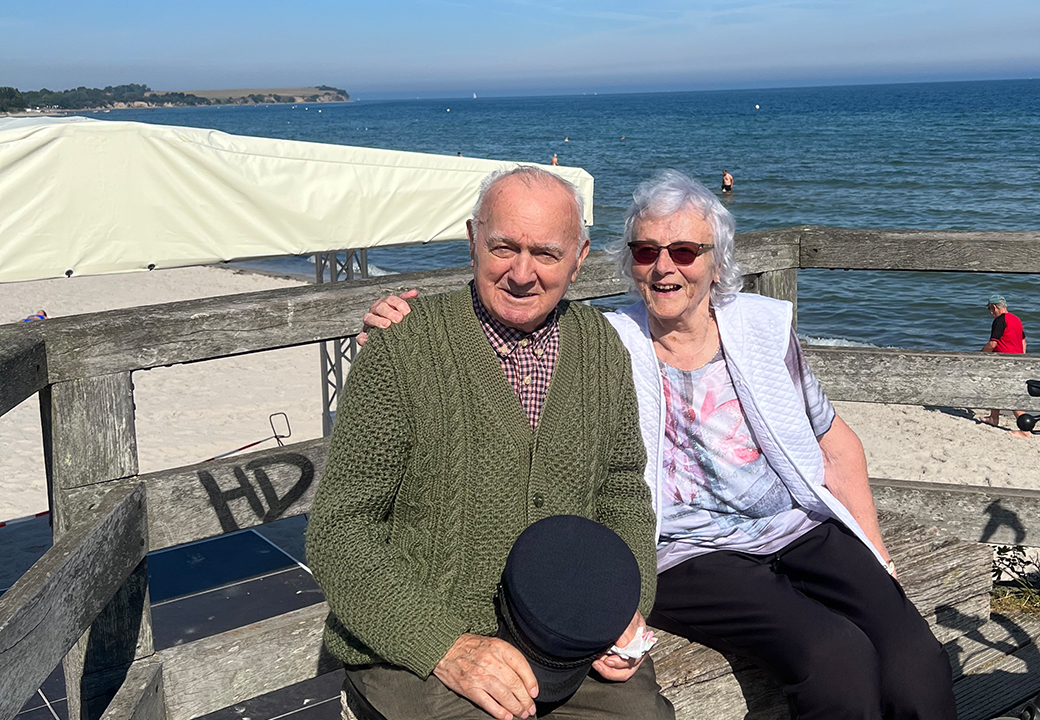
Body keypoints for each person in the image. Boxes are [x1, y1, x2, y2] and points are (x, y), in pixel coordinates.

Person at [363, 170, 956, 720]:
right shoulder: (609, 342)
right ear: (628, 263)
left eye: (685, 251)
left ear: (717, 263)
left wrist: (877, 557)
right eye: (647, 251)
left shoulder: (763, 331)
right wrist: (397, 324)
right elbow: (527, 326)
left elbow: (836, 446)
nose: (664, 267)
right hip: (691, 552)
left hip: (799, 526)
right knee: (836, 656)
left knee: (917, 661)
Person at [307, 166, 674, 720]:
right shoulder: (402, 349)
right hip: (422, 647)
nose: (522, 273)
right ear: (473, 239)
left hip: (567, 639)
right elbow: (340, 530)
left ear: (579, 258)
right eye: (504, 246)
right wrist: (444, 647)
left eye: (546, 254)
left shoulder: (601, 348)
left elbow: (622, 492)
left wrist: (624, 604)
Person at [982, 294, 1030, 438]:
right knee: (996, 387)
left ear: (995, 307)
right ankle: (993, 418)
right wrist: (1021, 357)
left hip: (1003, 361)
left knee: (1008, 394)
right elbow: (1024, 342)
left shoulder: (1000, 320)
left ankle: (1025, 430)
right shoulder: (1016, 319)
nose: (991, 312)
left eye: (990, 309)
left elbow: (993, 343)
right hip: (1017, 359)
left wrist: (980, 355)